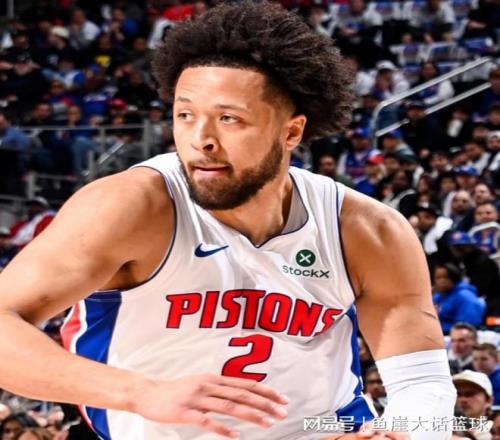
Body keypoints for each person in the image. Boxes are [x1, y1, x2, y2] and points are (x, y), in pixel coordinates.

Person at [0, 3, 455, 440]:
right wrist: (138, 392)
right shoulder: (131, 206)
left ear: (291, 131)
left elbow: (421, 380)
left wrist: (401, 433)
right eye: (185, 115)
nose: (201, 139)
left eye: (229, 119)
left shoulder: (366, 229)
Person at [432, 263, 486, 334]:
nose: (442, 281)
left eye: (446, 277)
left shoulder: (465, 296)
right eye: (438, 278)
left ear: (454, 278)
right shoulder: (437, 296)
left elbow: (467, 326)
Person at [453, 370, 494, 440]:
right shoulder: (444, 427)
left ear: (488, 400)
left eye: (469, 394)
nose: (463, 400)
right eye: (458, 394)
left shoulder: (494, 429)